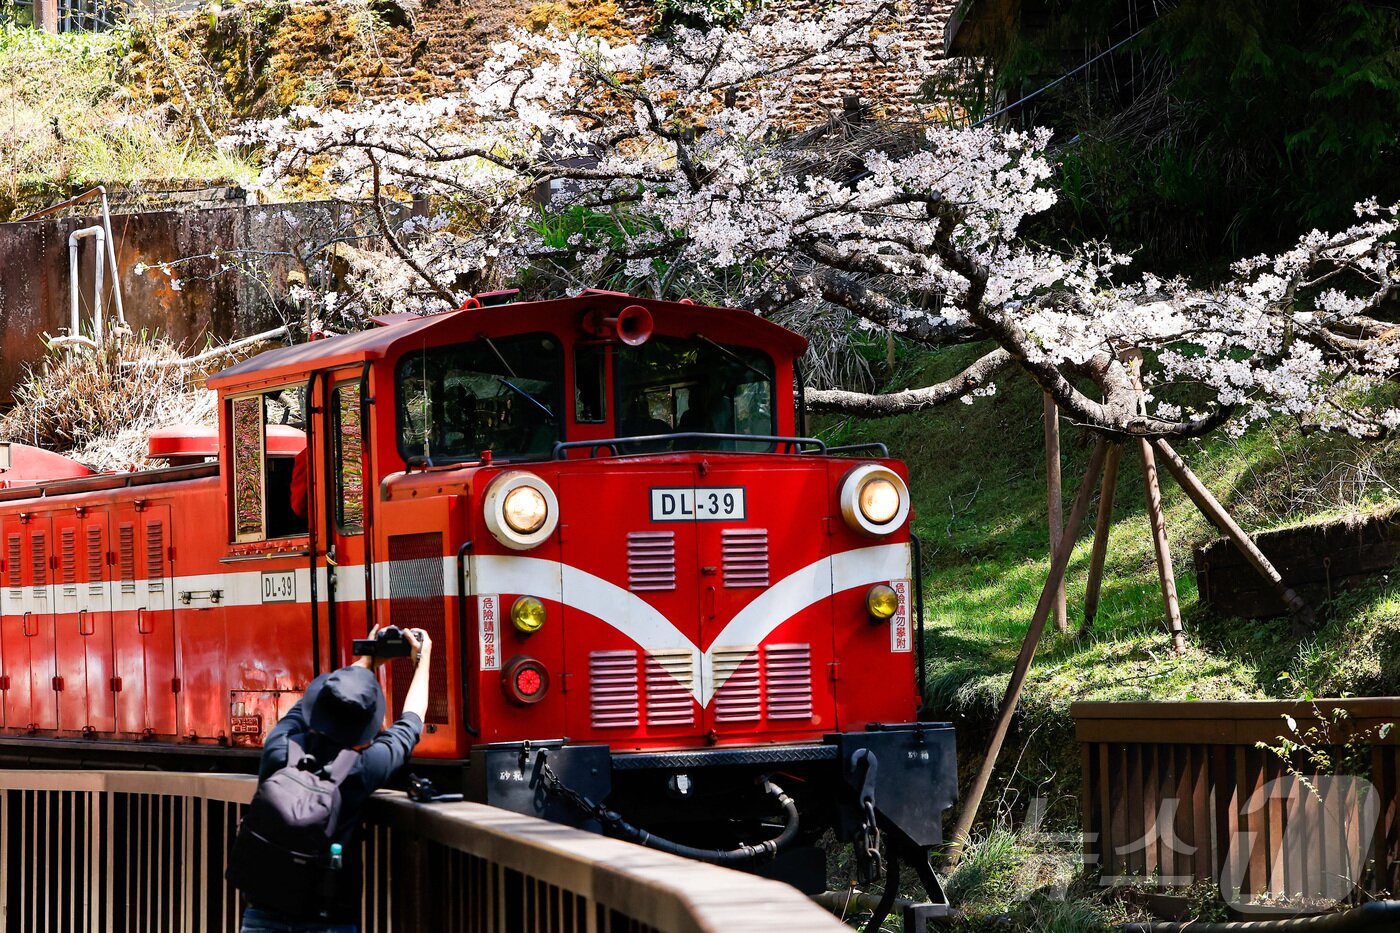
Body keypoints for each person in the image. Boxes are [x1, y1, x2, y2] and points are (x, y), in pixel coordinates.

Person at [237, 627, 434, 933]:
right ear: (366, 729)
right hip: (329, 920)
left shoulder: (279, 747)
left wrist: (367, 660)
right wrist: (423, 660)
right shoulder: (362, 768)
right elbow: (411, 721)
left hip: (262, 915)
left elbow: (306, 708)